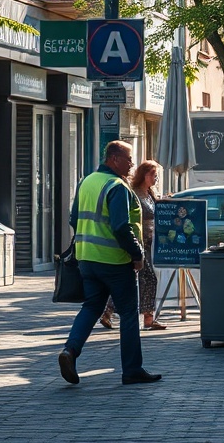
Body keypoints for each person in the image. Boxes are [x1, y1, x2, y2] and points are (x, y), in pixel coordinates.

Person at [58, 141, 161, 386]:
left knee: (92, 307)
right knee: (127, 313)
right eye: (128, 159)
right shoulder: (116, 186)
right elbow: (120, 226)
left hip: (87, 259)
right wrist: (137, 254)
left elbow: (74, 218)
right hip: (115, 260)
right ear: (113, 159)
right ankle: (132, 370)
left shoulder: (87, 181)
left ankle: (70, 351)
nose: (132, 164)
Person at [100, 160, 167, 331]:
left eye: (156, 175)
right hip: (137, 242)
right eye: (153, 174)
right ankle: (147, 317)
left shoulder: (150, 194)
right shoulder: (134, 193)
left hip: (149, 242)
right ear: (143, 175)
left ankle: (110, 312)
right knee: (147, 278)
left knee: (136, 279)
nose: (156, 178)